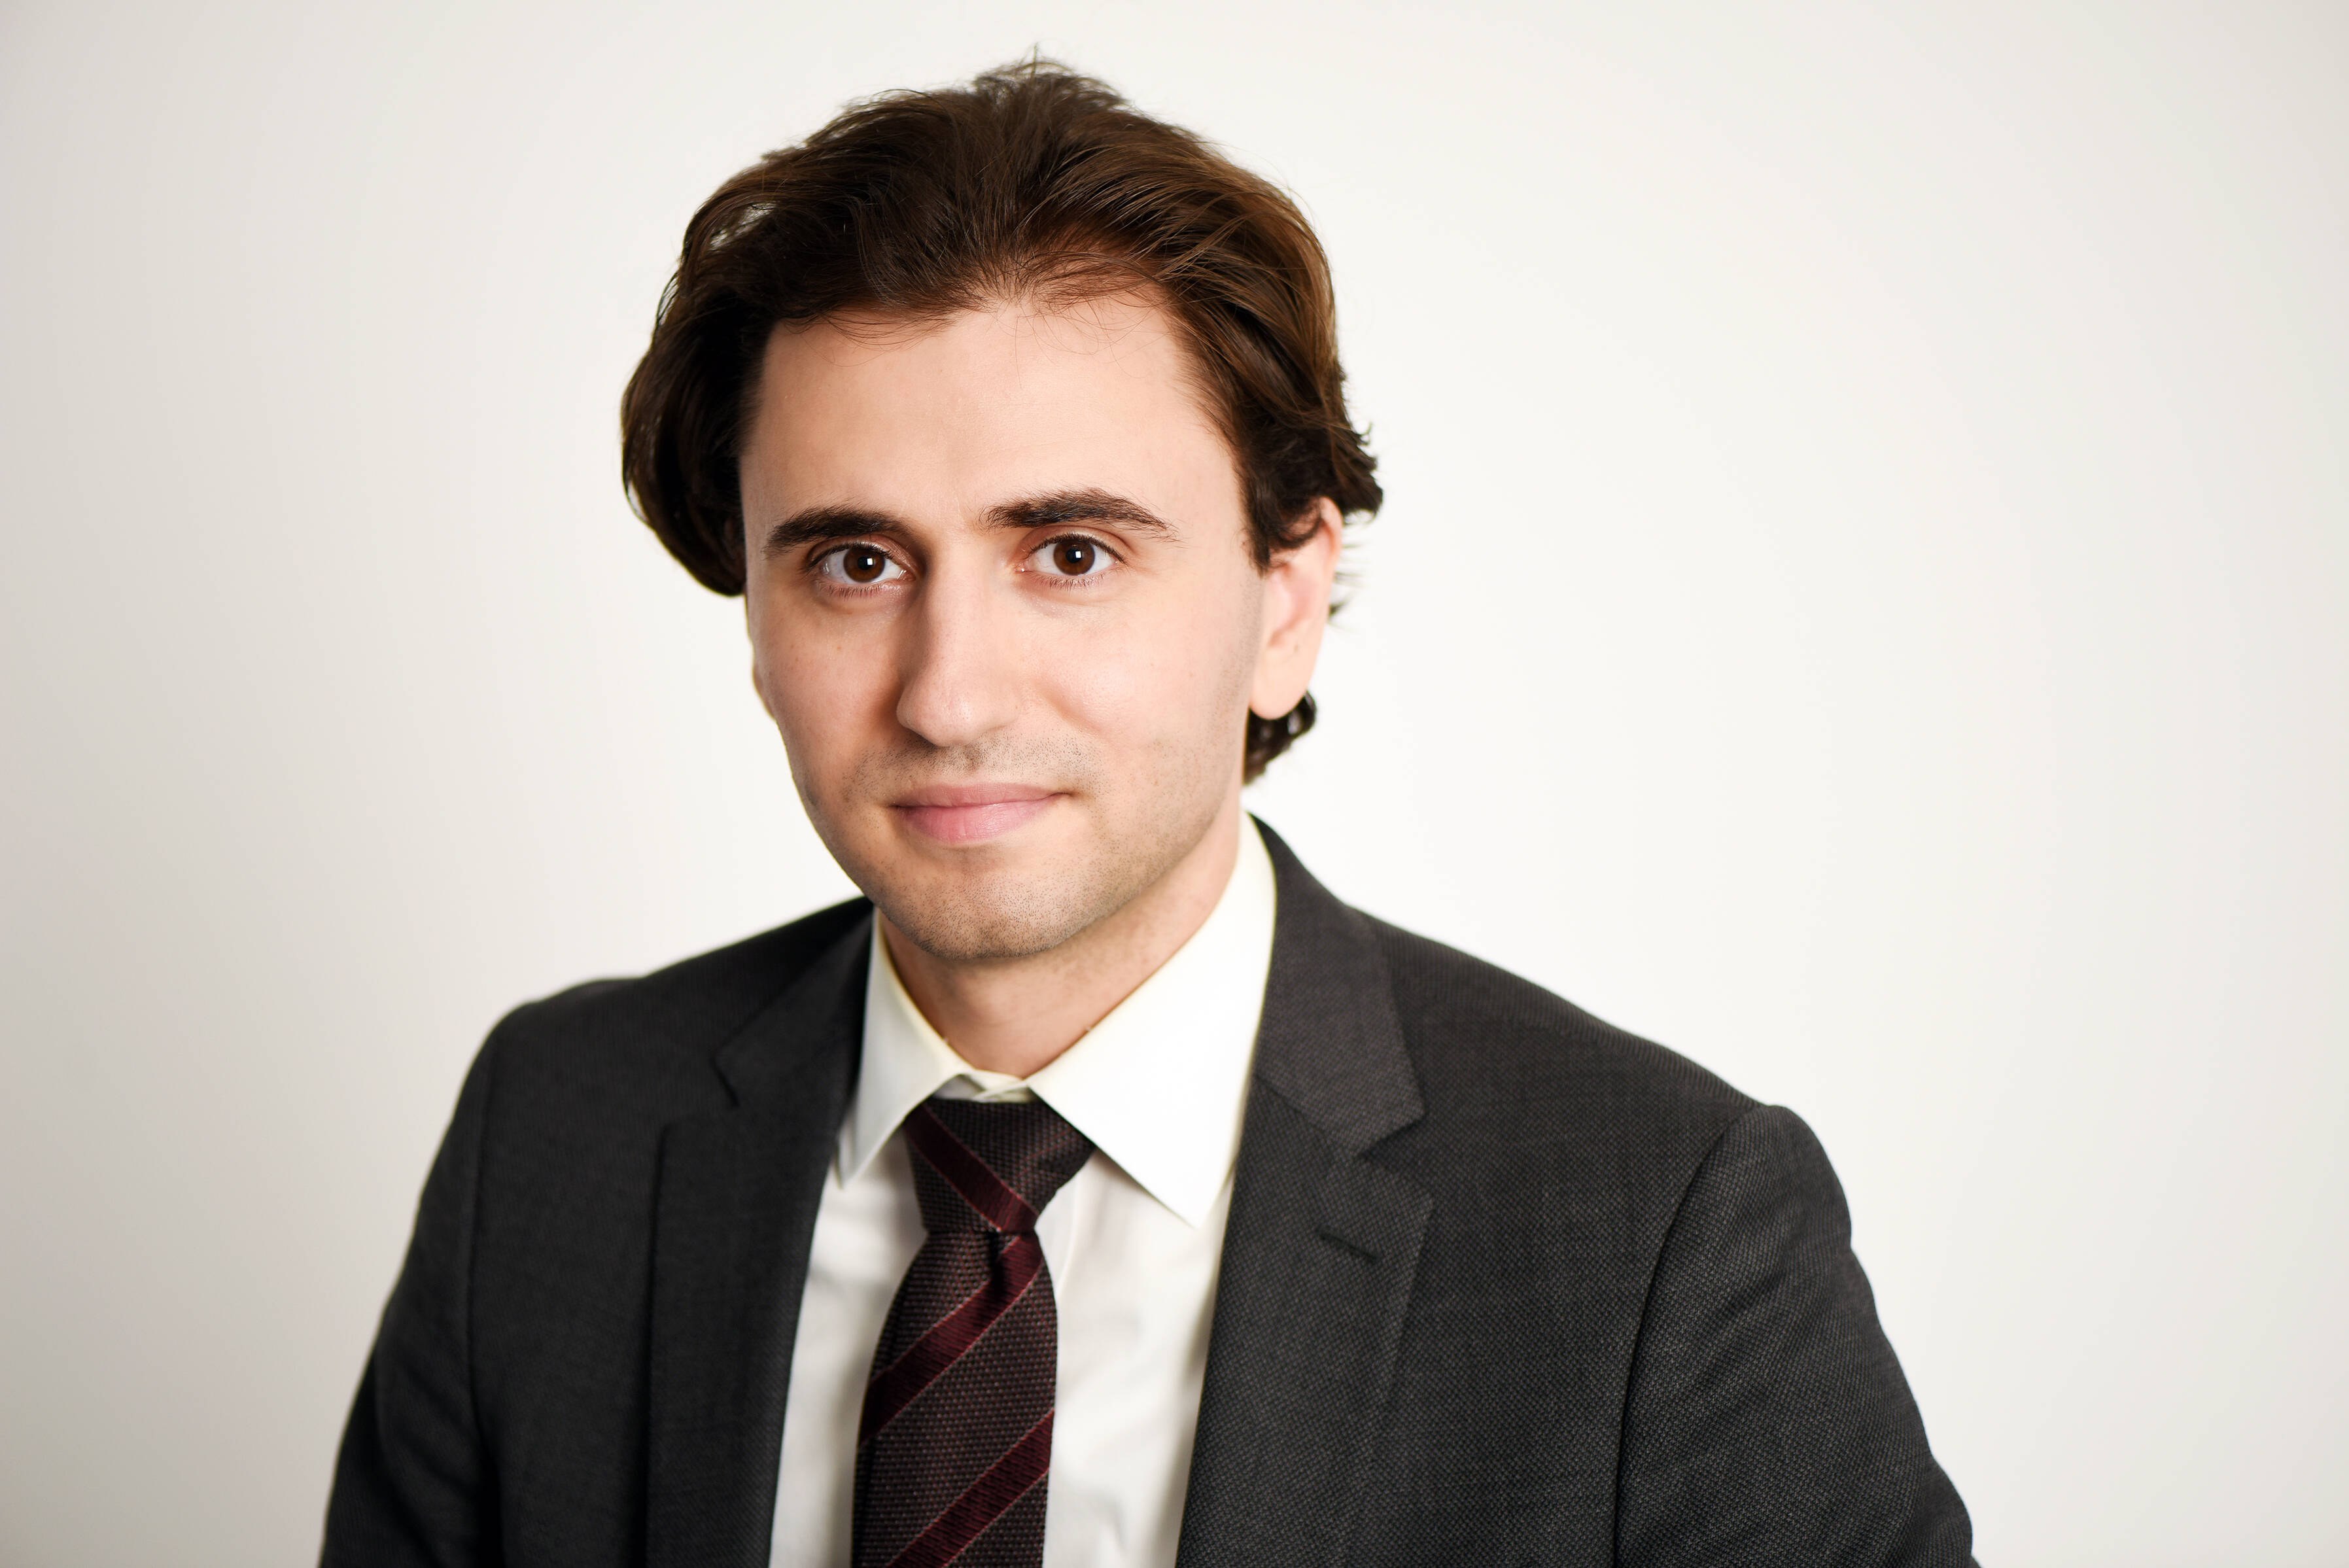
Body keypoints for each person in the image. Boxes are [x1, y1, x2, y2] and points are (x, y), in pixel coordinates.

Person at [322, 60, 1974, 1568]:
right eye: (855, 561)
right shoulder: (558, 1136)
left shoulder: (1662, 1230)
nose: (948, 694)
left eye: (1070, 553)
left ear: (1284, 599)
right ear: (755, 618)